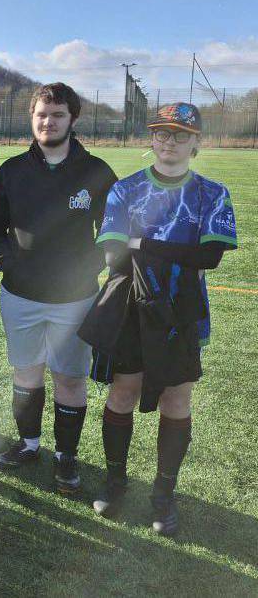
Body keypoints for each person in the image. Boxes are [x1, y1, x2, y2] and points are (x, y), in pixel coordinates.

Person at [86, 102, 236, 535]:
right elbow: (114, 252)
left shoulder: (212, 192)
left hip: (183, 311)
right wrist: (152, 247)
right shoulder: (126, 189)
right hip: (132, 306)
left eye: (181, 135)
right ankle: (115, 484)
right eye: (162, 134)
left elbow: (209, 256)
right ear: (151, 139)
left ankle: (163, 497)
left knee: (176, 398)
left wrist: (144, 243)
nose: (170, 142)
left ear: (196, 143)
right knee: (123, 391)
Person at [0, 82, 117, 493]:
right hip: (20, 295)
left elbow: (112, 232)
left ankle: (66, 457)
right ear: (32, 118)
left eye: (57, 115)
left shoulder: (96, 172)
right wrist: (7, 262)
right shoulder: (13, 170)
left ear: (72, 120)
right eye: (41, 114)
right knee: (26, 373)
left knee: (70, 379)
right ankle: (28, 444)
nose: (48, 121)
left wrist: (87, 268)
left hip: (75, 300)